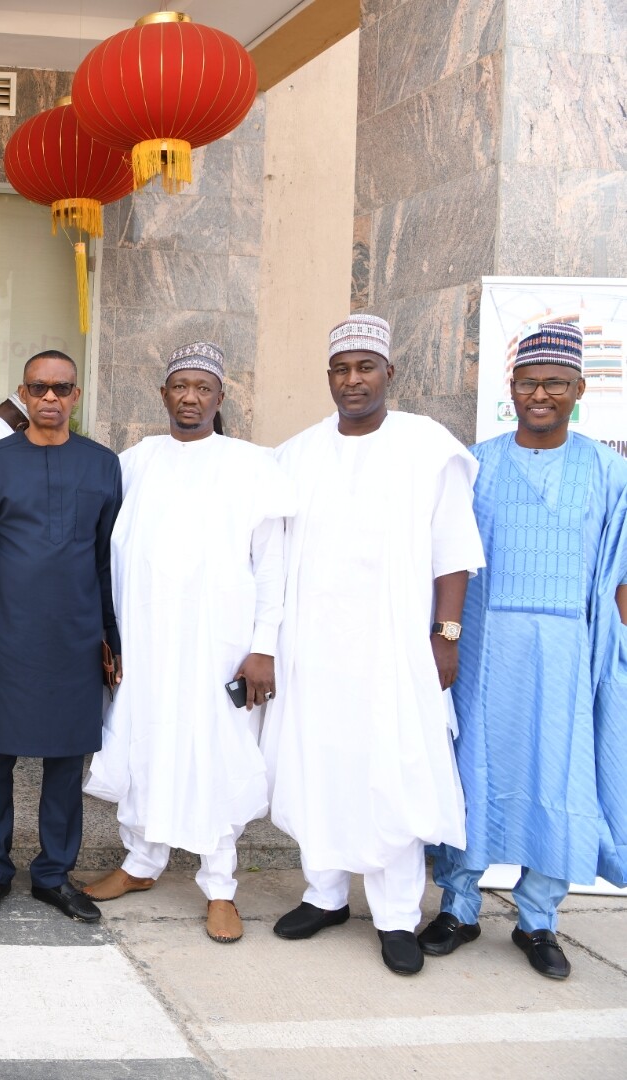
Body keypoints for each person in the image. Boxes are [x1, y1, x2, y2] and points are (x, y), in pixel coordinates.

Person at [265, 314, 484, 975]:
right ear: (328, 377)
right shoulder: (297, 453)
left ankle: (395, 916)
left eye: (365, 367)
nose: (352, 380)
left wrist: (446, 635)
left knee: (394, 770)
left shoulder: (427, 446)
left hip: (394, 646)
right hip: (313, 647)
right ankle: (325, 896)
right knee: (321, 764)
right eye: (341, 369)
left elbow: (454, 550)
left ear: (390, 372)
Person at [423, 322, 627, 980]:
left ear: (579, 390)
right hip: (484, 652)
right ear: (510, 389)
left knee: (557, 775)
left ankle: (538, 919)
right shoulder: (474, 464)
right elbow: (444, 557)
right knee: (473, 770)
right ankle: (458, 907)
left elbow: (619, 572)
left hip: (569, 653)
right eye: (528, 382)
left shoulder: (610, 471)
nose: (541, 394)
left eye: (555, 383)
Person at [80, 342, 295, 944]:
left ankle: (220, 885)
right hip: (146, 641)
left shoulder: (252, 466)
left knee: (216, 751)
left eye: (203, 388)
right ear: (163, 395)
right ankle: (140, 863)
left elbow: (271, 567)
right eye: (180, 386)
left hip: (219, 646)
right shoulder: (135, 463)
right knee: (144, 742)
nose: (191, 398)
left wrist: (263, 646)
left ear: (221, 397)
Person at [0, 350, 119, 923]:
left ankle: (53, 875)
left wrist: (111, 637)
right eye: (38, 387)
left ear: (76, 396)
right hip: (4, 636)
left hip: (76, 637)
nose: (50, 397)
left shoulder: (102, 465)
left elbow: (107, 560)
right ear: (23, 394)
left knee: (66, 763)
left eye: (61, 388)